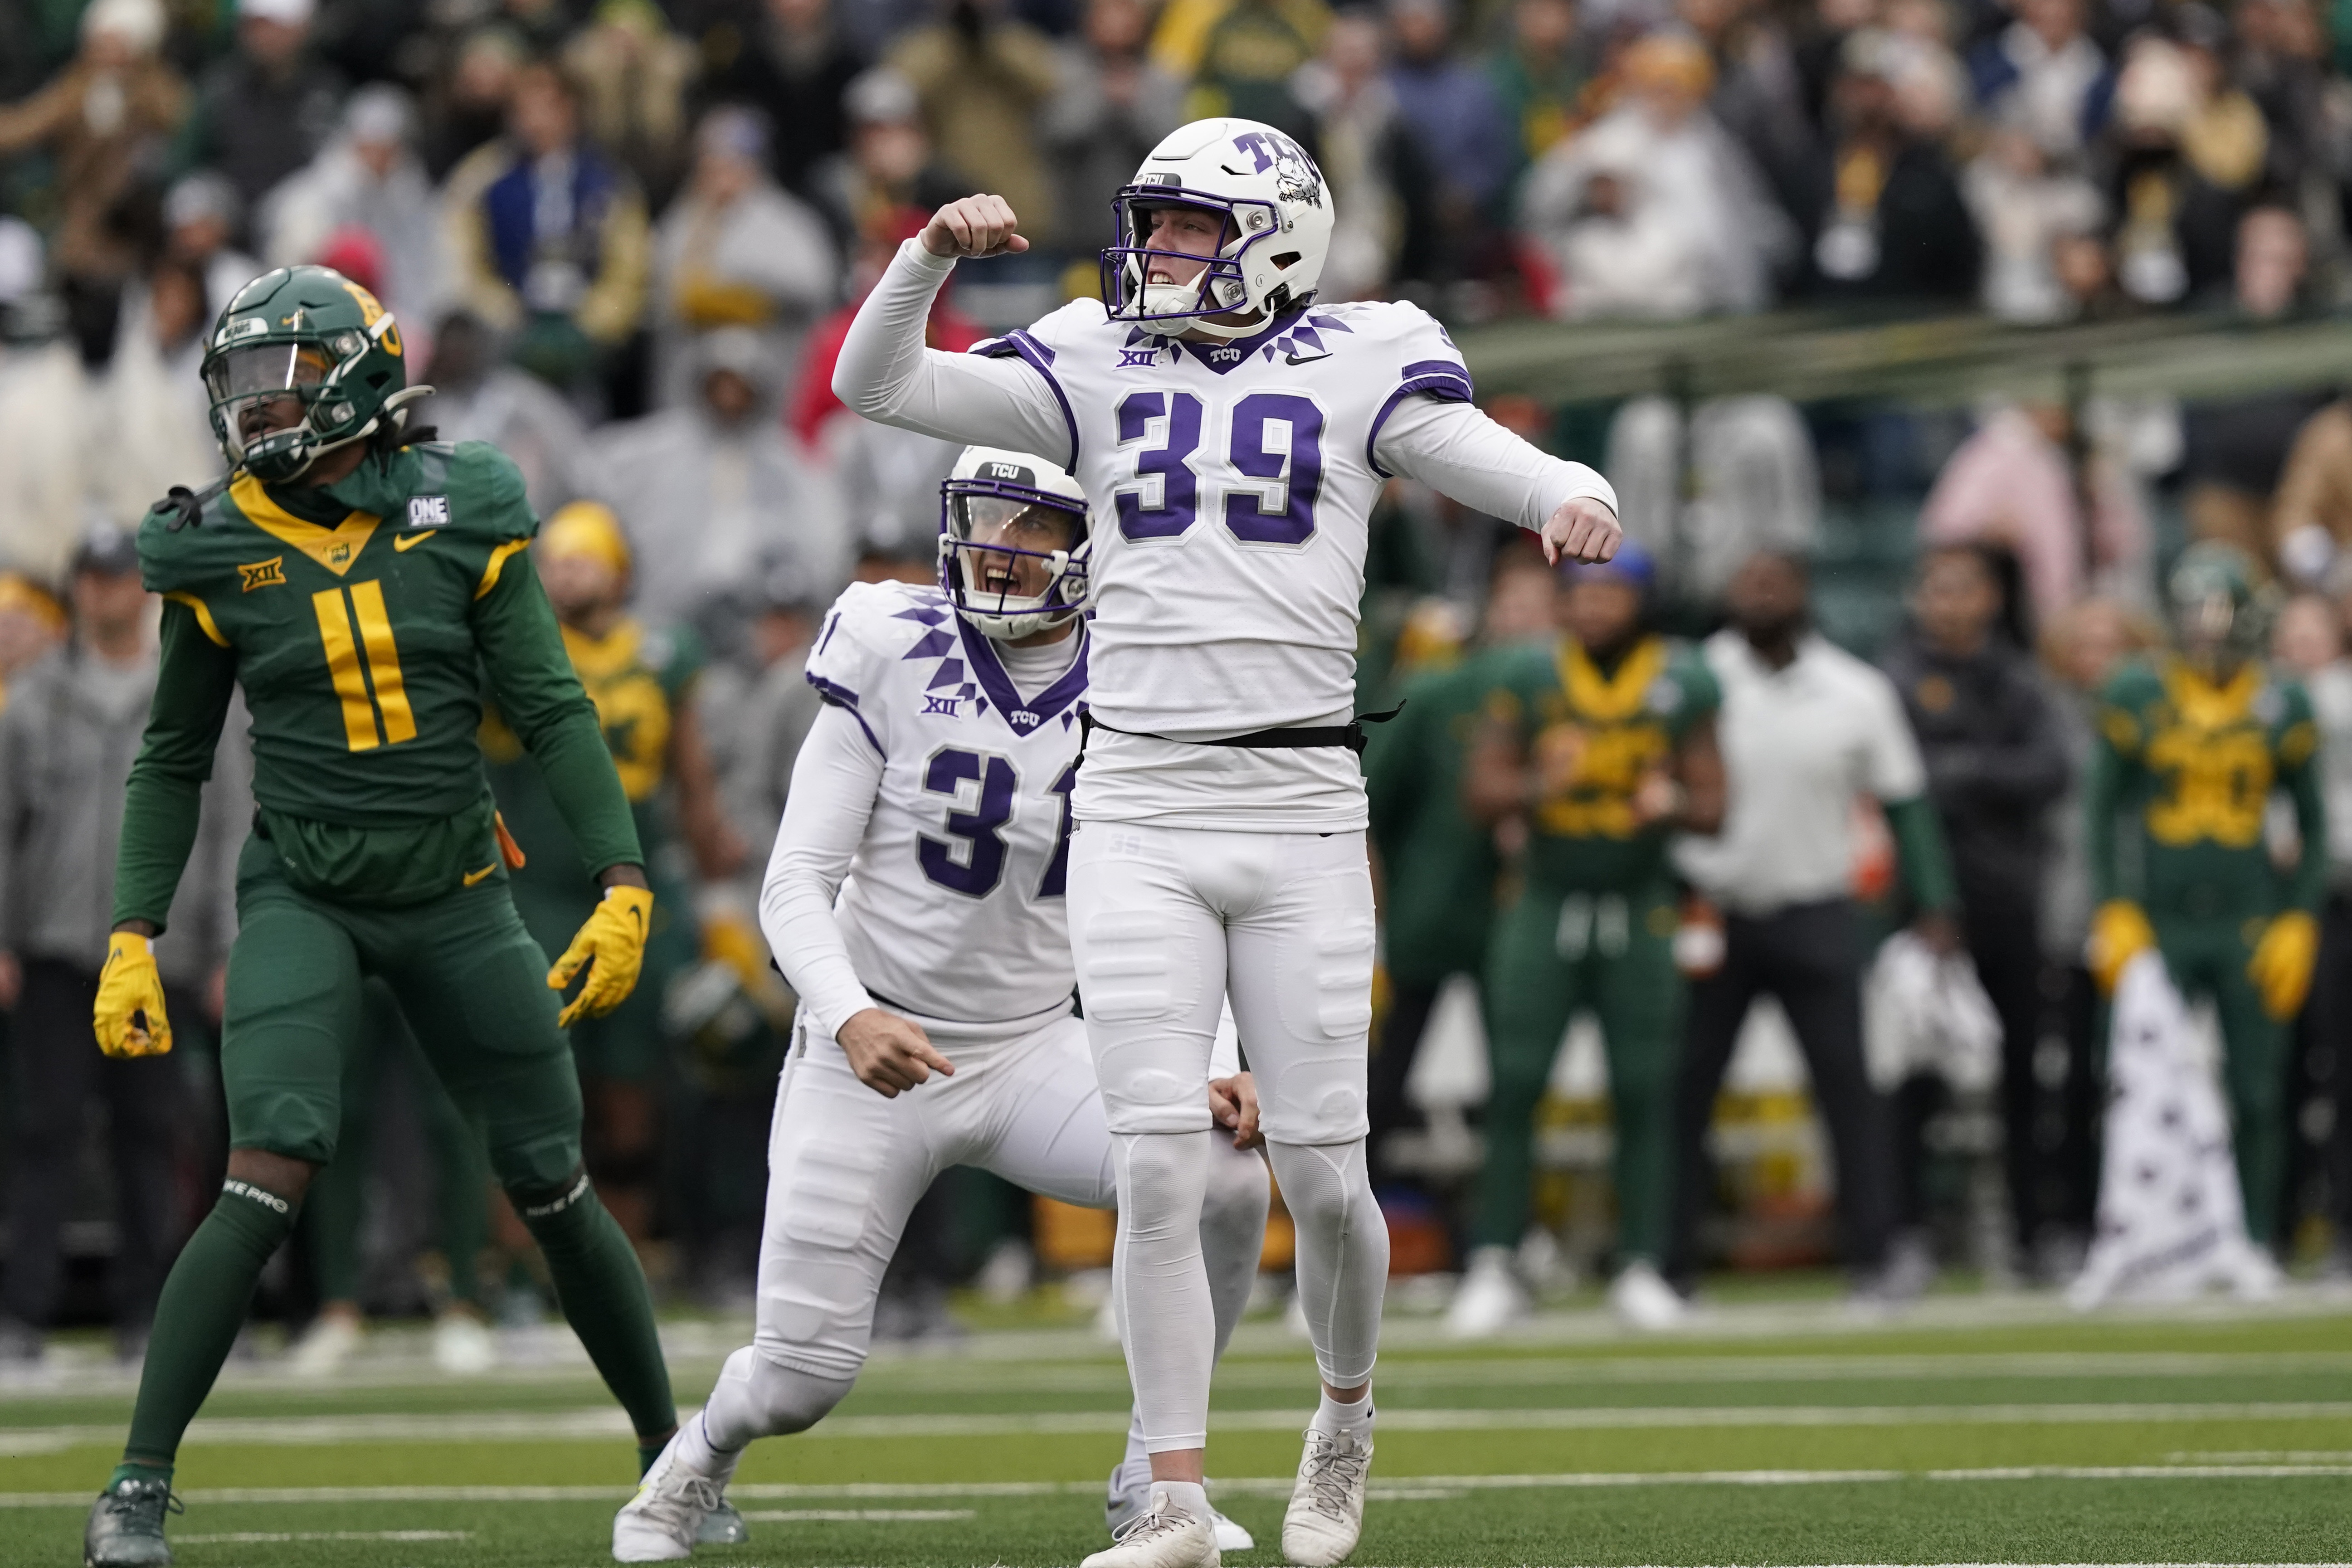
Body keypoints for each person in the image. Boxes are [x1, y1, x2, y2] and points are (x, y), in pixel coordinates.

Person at [827, 119, 1622, 1568]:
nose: (1158, 254)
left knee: (1323, 1175)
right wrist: (926, 256)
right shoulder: (1092, 354)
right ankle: (1175, 1500)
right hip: (1134, 801)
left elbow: (1472, 453)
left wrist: (1573, 491)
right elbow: (875, 384)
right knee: (1160, 1163)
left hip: (1302, 807)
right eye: (1157, 225)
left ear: (1274, 238)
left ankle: (1344, 1412)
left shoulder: (1368, 351)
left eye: (1188, 229)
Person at [80, 264, 675, 1566]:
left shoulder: (462, 508)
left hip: (460, 890)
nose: (253, 410)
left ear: (352, 377)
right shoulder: (213, 540)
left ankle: (667, 1460)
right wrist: (133, 927)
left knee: (555, 1183)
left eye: (280, 380)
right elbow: (173, 756)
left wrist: (623, 880)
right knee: (267, 1164)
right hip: (308, 890)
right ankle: (134, 1485)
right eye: (239, 385)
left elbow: (560, 707)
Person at [612, 447, 1272, 1561]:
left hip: (1031, 1048)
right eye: (987, 522)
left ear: (1092, 546)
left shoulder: (1145, 678)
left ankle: (1155, 1481)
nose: (1001, 551)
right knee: (800, 1378)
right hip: (869, 1052)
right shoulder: (889, 643)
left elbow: (1193, 894)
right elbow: (793, 882)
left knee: (1223, 1179)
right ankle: (693, 1461)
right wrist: (846, 1010)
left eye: (1034, 529)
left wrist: (1220, 1044)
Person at [1667, 550, 1962, 1306]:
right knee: (1685, 1090)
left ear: (1803, 592)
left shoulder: (1856, 691)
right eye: (1747, 579)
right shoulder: (1692, 679)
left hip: (1816, 906)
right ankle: (1667, 1264)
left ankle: (1876, 1251)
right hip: (1712, 909)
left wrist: (1933, 905)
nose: (1760, 591)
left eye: (1774, 580)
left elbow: (1904, 803)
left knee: (1848, 1092)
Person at [1455, 542, 1724, 1334]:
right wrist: (1546, 783)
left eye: (1611, 593)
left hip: (1640, 905)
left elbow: (1714, 804)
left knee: (1643, 1088)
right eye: (1582, 592)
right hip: (1543, 899)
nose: (1594, 606)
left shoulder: (1684, 680)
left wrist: (1668, 800)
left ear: (1642, 600)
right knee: (1515, 1082)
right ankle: (1496, 1257)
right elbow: (1481, 792)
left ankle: (1640, 1261)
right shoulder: (1529, 675)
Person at [0, 526, 246, 1366]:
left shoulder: (191, 691)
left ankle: (150, 1313)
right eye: (91, 579)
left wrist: (226, 945)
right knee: (45, 1133)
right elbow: (3, 830)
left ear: (140, 590)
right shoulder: (34, 697)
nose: (102, 593)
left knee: (158, 1136)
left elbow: (226, 826)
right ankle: (23, 1312)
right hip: (58, 951)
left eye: (116, 579)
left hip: (160, 956)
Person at [485, 501, 748, 1247]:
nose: (566, 570)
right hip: (533, 885)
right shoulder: (512, 643)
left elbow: (693, 783)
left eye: (583, 555)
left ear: (621, 570)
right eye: (556, 557)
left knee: (631, 1091)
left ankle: (625, 1261)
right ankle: (522, 1272)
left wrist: (717, 893)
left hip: (631, 885)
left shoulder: (665, 653)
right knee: (532, 1086)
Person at [2082, 543, 2327, 1257]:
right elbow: (2100, 812)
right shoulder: (2136, 692)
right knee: (2129, 1086)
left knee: (2256, 1091)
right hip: (2158, 920)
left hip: (2246, 921)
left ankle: (2249, 1240)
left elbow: (2311, 826)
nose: (2205, 633)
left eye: (2218, 616)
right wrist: (2114, 905)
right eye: (2193, 616)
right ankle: (2135, 1239)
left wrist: (2295, 916)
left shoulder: (2283, 701)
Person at [1877, 543, 2072, 1268]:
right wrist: (1978, 773)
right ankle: (1904, 1234)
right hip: (1919, 903)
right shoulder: (1895, 676)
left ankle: (2033, 1231)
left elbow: (2050, 768)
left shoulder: (2016, 678)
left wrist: (1963, 771)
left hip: (2005, 896)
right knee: (1911, 1077)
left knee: (2025, 1071)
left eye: (1962, 591)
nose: (1948, 605)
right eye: (1937, 590)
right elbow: (1893, 773)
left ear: (1988, 600)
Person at [1360, 550, 1553, 1191]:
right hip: (1432, 911)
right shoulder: (1437, 690)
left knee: (1517, 1079)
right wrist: (1371, 908)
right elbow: (1366, 797)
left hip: (1525, 918)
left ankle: (1499, 1238)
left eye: (1538, 608)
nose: (1523, 621)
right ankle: (1338, 1226)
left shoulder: (1575, 701)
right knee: (1385, 1078)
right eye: (1512, 604)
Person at [443, 58, 651, 404]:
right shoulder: (484, 176)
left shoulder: (608, 181)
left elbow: (630, 266)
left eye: (548, 107)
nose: (535, 120)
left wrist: (593, 326)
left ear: (571, 110)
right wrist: (504, 317)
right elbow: (463, 256)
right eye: (524, 109)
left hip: (584, 339)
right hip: (510, 335)